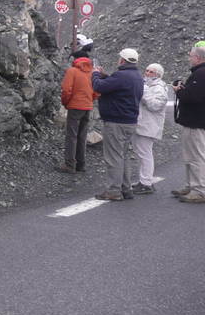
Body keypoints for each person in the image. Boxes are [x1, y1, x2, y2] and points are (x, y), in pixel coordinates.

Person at [92, 48, 144, 201]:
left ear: (122, 60)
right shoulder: (137, 76)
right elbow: (117, 86)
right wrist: (105, 76)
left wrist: (95, 73)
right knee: (124, 156)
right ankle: (125, 188)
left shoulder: (121, 75)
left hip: (116, 122)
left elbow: (98, 86)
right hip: (130, 122)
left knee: (113, 157)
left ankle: (114, 190)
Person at [171, 45, 205, 203]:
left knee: (196, 157)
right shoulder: (199, 74)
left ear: (198, 58)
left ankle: (198, 190)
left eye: (191, 56)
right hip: (196, 121)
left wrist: (179, 91)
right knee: (190, 156)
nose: (189, 58)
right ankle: (191, 185)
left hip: (195, 122)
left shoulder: (200, 73)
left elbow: (193, 97)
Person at [58, 55, 98, 173]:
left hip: (75, 107)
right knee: (82, 136)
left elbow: (66, 89)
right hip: (87, 107)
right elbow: (97, 90)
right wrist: (90, 100)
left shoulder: (72, 71)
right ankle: (81, 164)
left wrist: (65, 103)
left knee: (72, 136)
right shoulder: (92, 72)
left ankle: (70, 165)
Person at [131, 63, 168, 194]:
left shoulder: (158, 88)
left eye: (151, 72)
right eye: (146, 70)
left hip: (149, 125)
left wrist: (145, 92)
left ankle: (146, 183)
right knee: (142, 153)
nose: (147, 73)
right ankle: (144, 180)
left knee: (145, 154)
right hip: (143, 124)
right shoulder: (148, 85)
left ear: (158, 74)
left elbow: (156, 105)